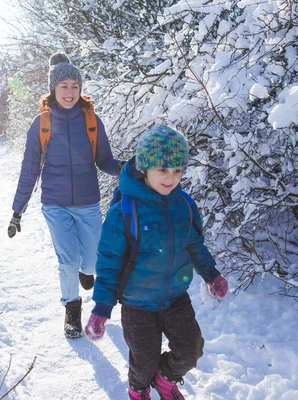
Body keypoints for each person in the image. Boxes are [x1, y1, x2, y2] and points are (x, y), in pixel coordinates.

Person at [83, 125, 229, 399]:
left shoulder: (184, 205)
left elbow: (194, 244)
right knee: (143, 361)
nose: (171, 178)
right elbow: (109, 263)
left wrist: (211, 274)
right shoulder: (124, 212)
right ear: (144, 167)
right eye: (163, 169)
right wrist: (101, 308)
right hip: (137, 305)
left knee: (191, 350)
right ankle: (138, 390)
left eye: (177, 170)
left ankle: (164, 381)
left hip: (175, 298)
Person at [7, 52, 123, 339]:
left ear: (80, 89)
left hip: (88, 202)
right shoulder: (42, 123)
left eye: (74, 85)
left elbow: (105, 160)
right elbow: (29, 169)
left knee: (94, 261)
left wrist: (125, 168)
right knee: (67, 261)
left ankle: (87, 271)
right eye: (64, 86)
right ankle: (72, 311)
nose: (70, 92)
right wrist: (17, 210)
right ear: (53, 90)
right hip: (55, 204)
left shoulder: (91, 121)